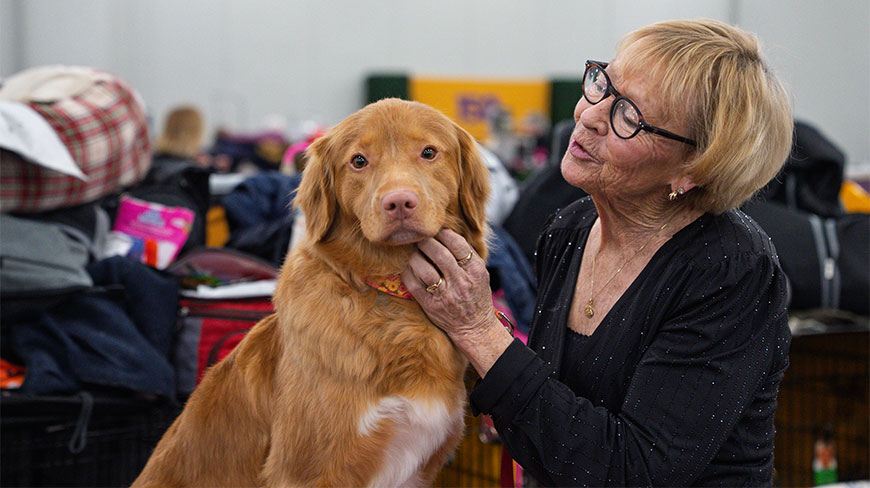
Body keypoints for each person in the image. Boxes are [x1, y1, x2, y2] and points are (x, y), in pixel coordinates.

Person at [401, 18, 794, 486]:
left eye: (628, 115)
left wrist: (480, 331)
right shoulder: (570, 228)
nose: (589, 114)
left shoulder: (731, 271)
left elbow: (631, 471)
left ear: (693, 169)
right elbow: (550, 414)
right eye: (602, 82)